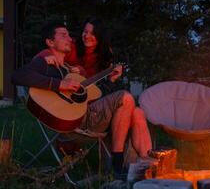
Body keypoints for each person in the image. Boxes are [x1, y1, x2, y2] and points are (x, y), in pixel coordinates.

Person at [11, 21, 152, 178]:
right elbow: (17, 76)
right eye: (63, 35)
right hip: (73, 123)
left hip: (89, 117)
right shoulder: (46, 60)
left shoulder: (70, 69)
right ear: (50, 42)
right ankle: (117, 162)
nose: (70, 39)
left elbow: (97, 94)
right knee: (125, 97)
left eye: (69, 35)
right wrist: (59, 84)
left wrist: (111, 79)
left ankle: (150, 165)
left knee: (138, 112)